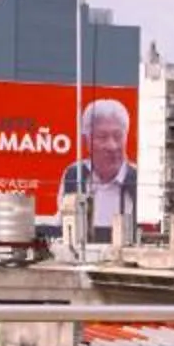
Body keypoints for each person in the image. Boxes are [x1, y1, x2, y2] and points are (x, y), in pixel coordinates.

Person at [56, 98, 137, 251]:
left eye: (118, 136)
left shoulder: (138, 179)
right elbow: (62, 222)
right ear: (87, 141)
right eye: (102, 137)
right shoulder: (74, 175)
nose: (112, 146)